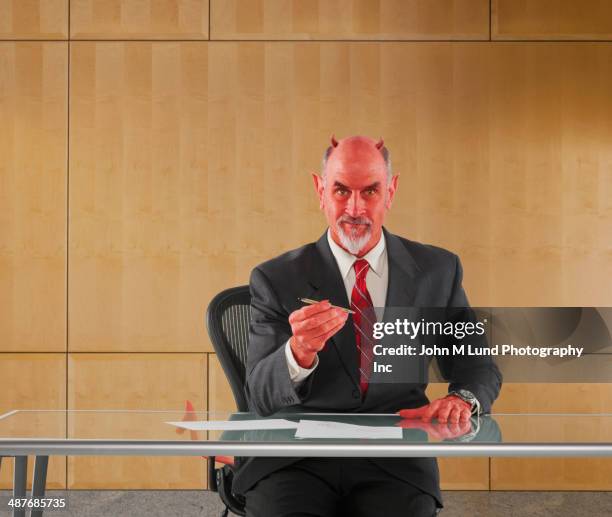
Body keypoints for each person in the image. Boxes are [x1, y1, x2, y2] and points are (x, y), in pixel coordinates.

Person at [234, 135, 502, 517]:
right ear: (320, 190)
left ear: (390, 192)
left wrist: (464, 399)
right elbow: (258, 395)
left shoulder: (436, 272)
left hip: (395, 459)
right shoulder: (276, 278)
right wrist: (297, 353)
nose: (355, 208)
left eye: (370, 191)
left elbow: (477, 362)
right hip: (294, 458)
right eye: (341, 190)